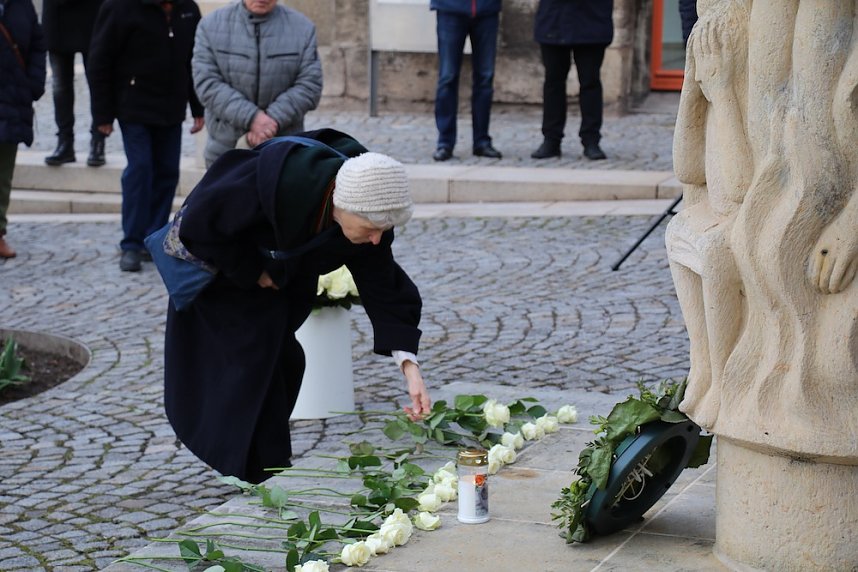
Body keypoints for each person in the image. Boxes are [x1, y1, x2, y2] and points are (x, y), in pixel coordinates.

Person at [163, 129, 432, 483]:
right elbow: (199, 225)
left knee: (284, 363)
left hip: (278, 282)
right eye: (369, 229)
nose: (376, 239)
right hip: (225, 275)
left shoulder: (373, 211)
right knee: (248, 368)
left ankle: (263, 467)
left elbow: (384, 285)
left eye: (383, 230)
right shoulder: (275, 184)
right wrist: (253, 271)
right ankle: (262, 470)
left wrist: (410, 367)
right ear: (340, 203)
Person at [87, 0, 205, 272]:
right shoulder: (119, 7)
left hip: (171, 107)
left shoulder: (187, 8)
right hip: (133, 106)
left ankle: (153, 238)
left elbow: (192, 60)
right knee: (140, 169)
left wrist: (197, 106)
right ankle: (131, 243)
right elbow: (99, 61)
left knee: (166, 172)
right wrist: (102, 116)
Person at [192, 0, 322, 168]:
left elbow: (310, 85)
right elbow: (207, 83)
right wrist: (252, 118)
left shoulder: (303, 28)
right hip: (226, 151)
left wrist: (271, 120)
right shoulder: (210, 26)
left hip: (284, 151)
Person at [530, 0, 613, 161]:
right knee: (553, 82)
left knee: (590, 82)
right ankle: (551, 139)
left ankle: (591, 140)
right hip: (553, 17)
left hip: (592, 18)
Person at [0, 0, 45, 259]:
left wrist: (33, 85)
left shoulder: (21, 5)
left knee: (3, 174)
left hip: (13, 99)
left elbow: (38, 44)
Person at [430, 0, 502, 162]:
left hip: (487, 9)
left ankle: (481, 141)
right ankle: (445, 142)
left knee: (485, 77)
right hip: (450, 8)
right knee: (447, 77)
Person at [41, 0, 105, 167]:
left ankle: (98, 141)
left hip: (91, 12)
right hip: (57, 14)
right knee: (60, 85)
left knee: (97, 82)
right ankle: (64, 142)